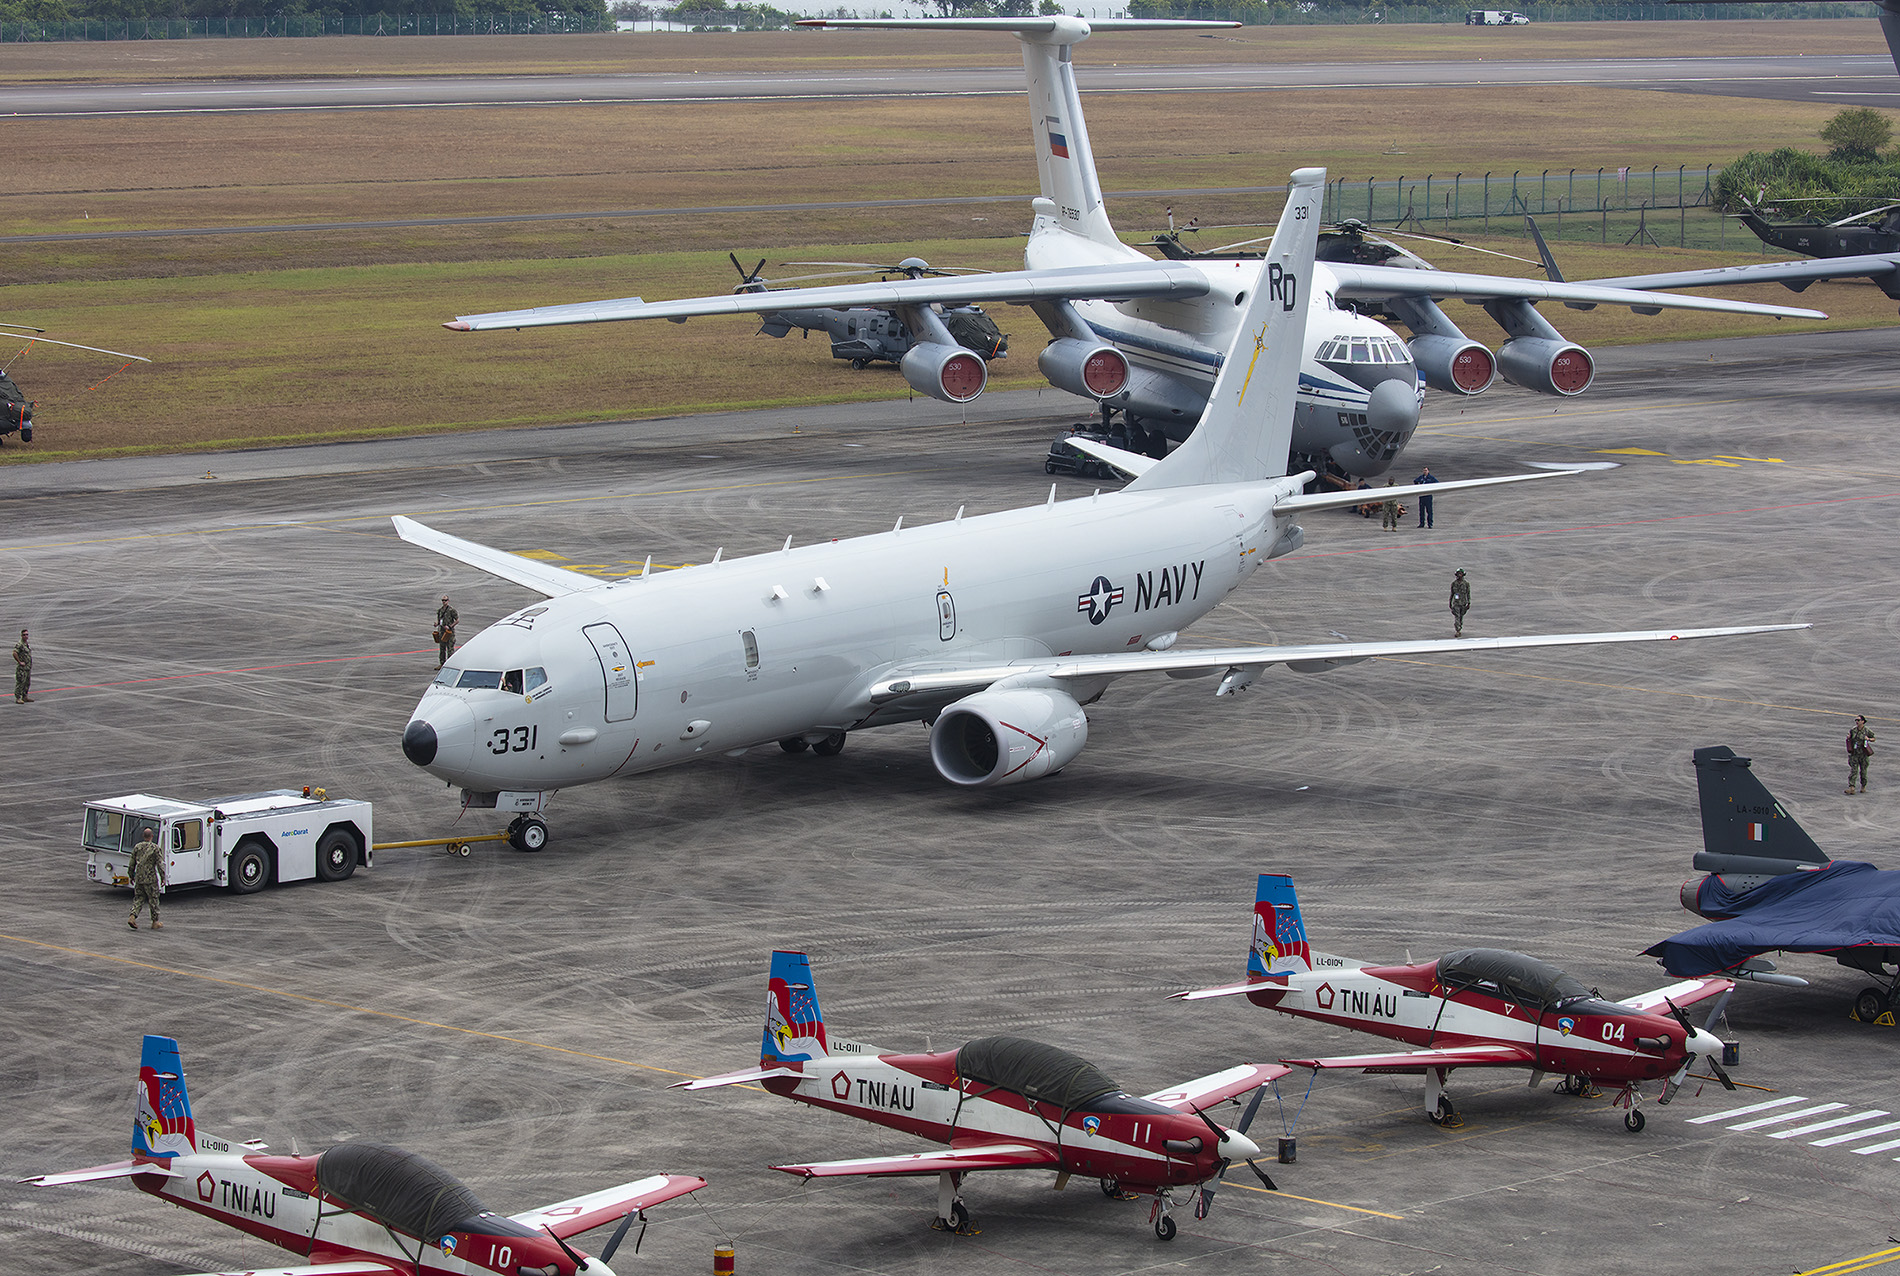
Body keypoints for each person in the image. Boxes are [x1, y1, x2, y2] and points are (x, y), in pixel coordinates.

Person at [128, 826, 167, 929]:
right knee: (153, 899)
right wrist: (163, 877)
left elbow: (132, 863)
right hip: (150, 878)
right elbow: (160, 864)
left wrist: (131, 875)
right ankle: (155, 922)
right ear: (152, 836)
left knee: (139, 898)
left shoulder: (137, 847)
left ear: (143, 836)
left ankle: (132, 916)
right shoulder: (155, 848)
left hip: (139, 877)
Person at [1846, 715, 1876, 795]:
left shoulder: (1866, 731)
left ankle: (1863, 786)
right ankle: (1852, 787)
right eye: (1856, 720)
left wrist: (1868, 739)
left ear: (1863, 721)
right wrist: (1849, 737)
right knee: (1853, 771)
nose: (1857, 722)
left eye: (1858, 720)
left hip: (1863, 754)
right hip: (1855, 754)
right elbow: (1850, 739)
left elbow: (1874, 738)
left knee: (1863, 771)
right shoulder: (1853, 730)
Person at [434, 596, 458, 669]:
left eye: (445, 600)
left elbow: (457, 620)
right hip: (442, 631)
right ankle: (442, 663)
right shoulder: (440, 610)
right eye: (443, 600)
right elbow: (439, 620)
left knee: (450, 648)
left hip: (449, 632)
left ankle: (450, 664)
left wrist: (450, 626)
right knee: (442, 649)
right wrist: (436, 623)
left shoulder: (451, 610)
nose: (444, 602)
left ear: (448, 601)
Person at [1449, 569, 1471, 637]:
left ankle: (1460, 627)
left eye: (1461, 574)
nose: (1459, 575)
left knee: (1461, 616)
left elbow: (1468, 593)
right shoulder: (1454, 584)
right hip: (1456, 603)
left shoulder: (1466, 584)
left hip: (1463, 603)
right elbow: (1452, 593)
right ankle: (1458, 630)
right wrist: (1450, 602)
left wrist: (1468, 603)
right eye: (1458, 574)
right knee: (1457, 617)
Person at [13, 628, 29, 703]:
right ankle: (18, 698)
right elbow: (14, 653)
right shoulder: (20, 644)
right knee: (20, 682)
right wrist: (19, 662)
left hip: (27, 667)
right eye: (24, 635)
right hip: (21, 668)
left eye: (27, 635)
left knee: (27, 682)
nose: (25, 636)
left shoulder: (26, 644)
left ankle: (25, 696)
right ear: (21, 636)